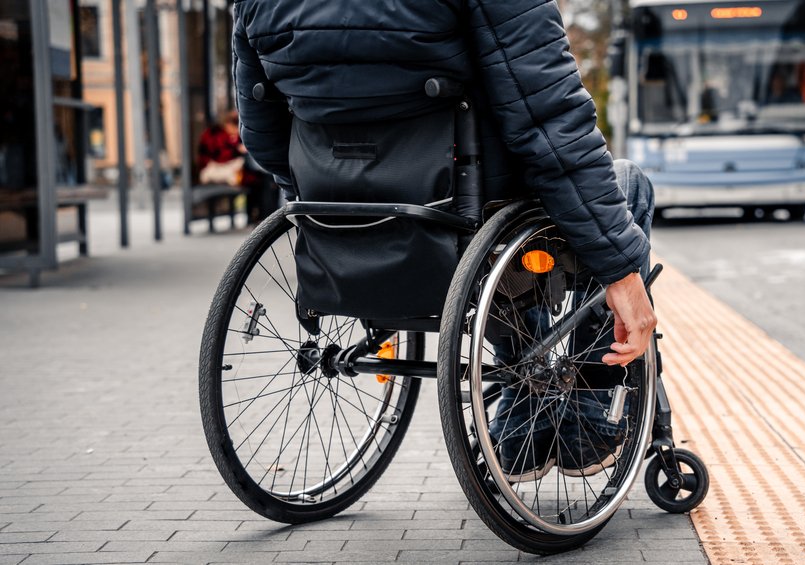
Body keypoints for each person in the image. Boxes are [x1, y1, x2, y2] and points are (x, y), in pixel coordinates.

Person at [232, 1, 657, 478]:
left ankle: (521, 420)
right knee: (627, 184)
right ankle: (582, 413)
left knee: (490, 230)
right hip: (462, 206)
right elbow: (551, 120)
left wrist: (320, 197)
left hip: (337, 215)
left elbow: (264, 132)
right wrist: (619, 270)